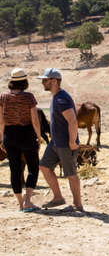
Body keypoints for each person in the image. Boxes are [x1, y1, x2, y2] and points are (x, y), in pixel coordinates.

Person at [38, 68, 83, 211]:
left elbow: (73, 121)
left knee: (71, 173)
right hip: (55, 143)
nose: (43, 83)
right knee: (44, 166)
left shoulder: (62, 99)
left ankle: (77, 204)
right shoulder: (56, 97)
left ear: (54, 81)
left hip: (65, 144)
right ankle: (58, 198)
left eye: (45, 80)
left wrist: (72, 141)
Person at [0, 68, 42, 212]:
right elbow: (35, 120)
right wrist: (39, 137)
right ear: (25, 82)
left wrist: (1, 139)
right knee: (33, 167)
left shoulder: (3, 97)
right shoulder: (29, 97)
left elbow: (1, 121)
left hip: (9, 135)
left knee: (14, 169)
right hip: (27, 134)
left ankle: (20, 203)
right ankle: (28, 201)